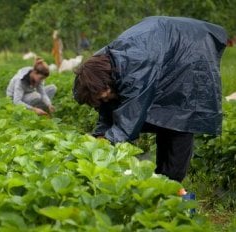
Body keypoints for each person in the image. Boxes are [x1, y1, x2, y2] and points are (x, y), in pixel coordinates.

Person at [73, 17, 227, 189]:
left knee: (180, 117)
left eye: (105, 95)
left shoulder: (135, 66)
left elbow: (129, 120)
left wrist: (104, 144)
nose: (105, 100)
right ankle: (162, 183)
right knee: (162, 116)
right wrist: (99, 135)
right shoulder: (98, 69)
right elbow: (108, 108)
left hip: (191, 51)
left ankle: (171, 188)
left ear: (108, 81)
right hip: (163, 50)